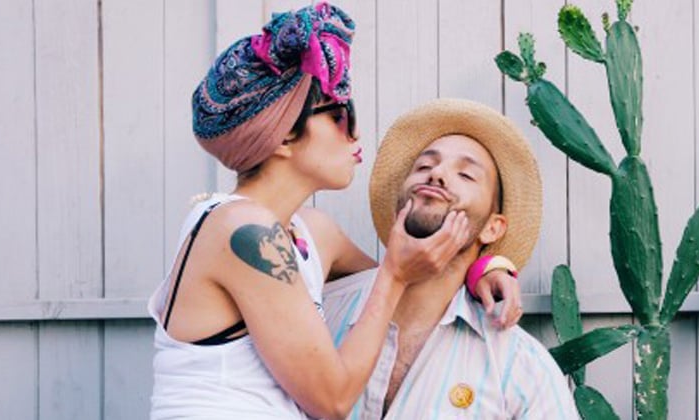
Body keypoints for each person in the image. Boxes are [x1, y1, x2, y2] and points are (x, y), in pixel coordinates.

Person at [147, 4, 520, 419]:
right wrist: (395, 275)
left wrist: (484, 267)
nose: (356, 134)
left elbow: (417, 278)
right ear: (283, 137)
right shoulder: (243, 230)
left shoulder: (310, 233)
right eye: (341, 115)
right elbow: (333, 400)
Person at [323, 98, 580, 419]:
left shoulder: (521, 367)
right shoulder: (320, 311)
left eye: (466, 175)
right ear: (399, 203)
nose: (437, 174)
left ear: (492, 227)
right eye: (423, 167)